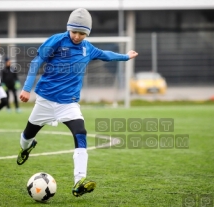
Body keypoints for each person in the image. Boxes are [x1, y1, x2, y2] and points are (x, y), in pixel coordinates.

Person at [16, 8, 138, 197]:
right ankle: (26, 148)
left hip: (69, 103)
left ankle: (79, 181)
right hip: (45, 100)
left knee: (80, 133)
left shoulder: (87, 48)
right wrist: (26, 88)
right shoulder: (57, 40)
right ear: (68, 29)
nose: (77, 36)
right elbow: (36, 61)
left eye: (82, 33)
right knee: (26, 136)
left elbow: (106, 55)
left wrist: (125, 56)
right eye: (74, 32)